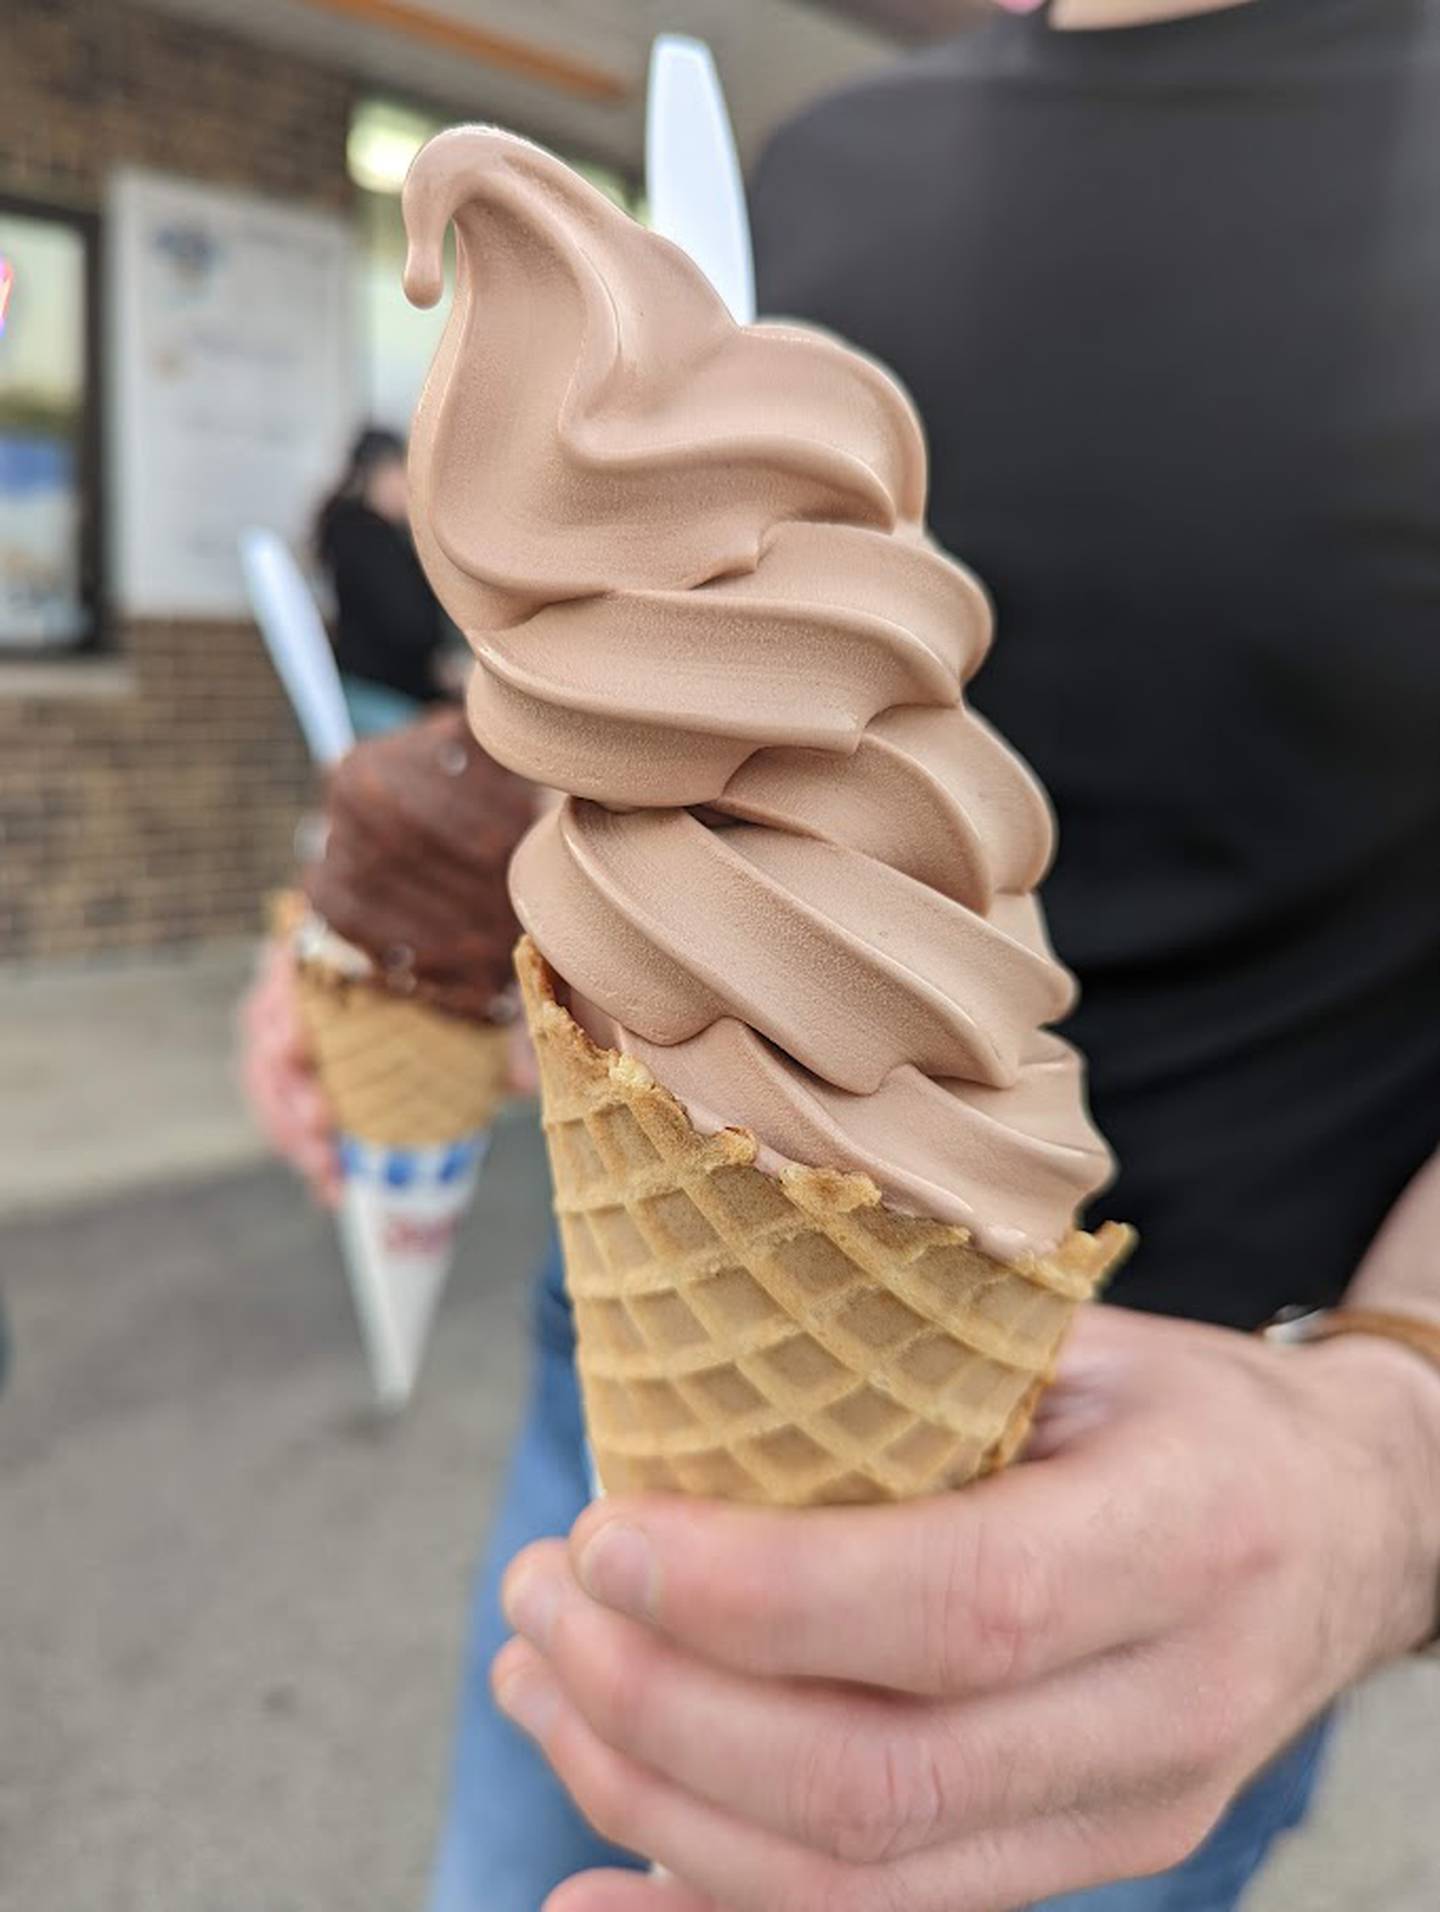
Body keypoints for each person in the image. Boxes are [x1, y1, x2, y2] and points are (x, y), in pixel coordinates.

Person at [244, 1, 1440, 1906]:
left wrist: (1400, 1446)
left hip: (1171, 1541)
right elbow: (651, 695)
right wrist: (396, 932)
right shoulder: (818, 171)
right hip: (618, 1391)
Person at [314, 426, 458, 737]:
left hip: (378, 689)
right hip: (382, 694)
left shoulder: (358, 534)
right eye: (401, 474)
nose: (409, 487)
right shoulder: (367, 537)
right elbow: (407, 623)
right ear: (376, 475)